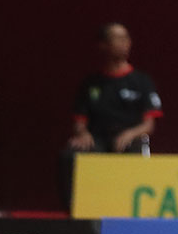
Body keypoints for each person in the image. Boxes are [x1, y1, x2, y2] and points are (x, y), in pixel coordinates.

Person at [60, 22, 163, 209]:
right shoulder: (91, 83)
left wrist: (129, 134)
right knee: (71, 154)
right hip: (98, 139)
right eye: (117, 38)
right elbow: (80, 120)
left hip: (130, 139)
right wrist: (82, 134)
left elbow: (149, 124)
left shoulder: (141, 81)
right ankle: (74, 211)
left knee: (136, 150)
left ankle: (136, 209)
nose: (124, 43)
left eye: (126, 38)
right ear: (103, 45)